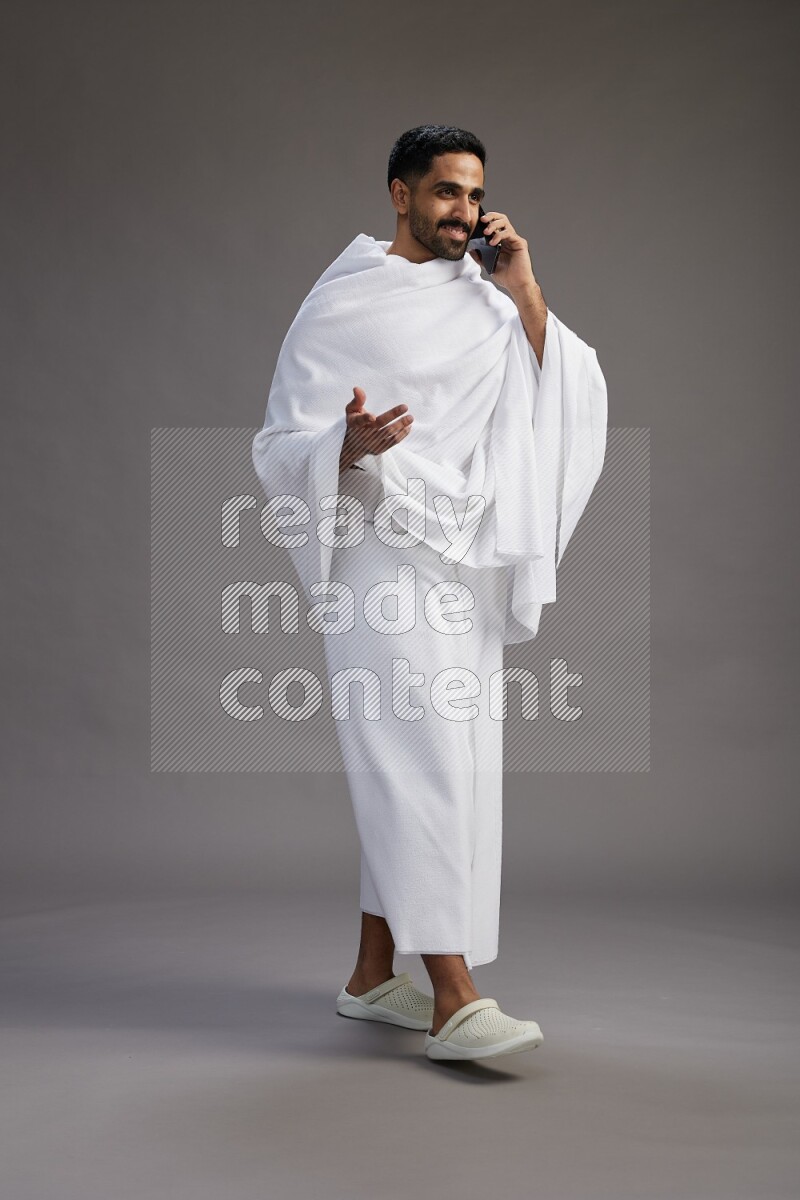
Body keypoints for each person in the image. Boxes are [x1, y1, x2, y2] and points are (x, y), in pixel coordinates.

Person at [251, 125, 608, 1062]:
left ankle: (373, 977)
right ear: (400, 196)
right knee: (419, 761)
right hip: (374, 560)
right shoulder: (343, 303)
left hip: (462, 563)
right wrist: (345, 446)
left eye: (474, 193)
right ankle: (455, 997)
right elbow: (278, 441)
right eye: (445, 192)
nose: (465, 211)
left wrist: (522, 286)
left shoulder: (489, 300)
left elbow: (560, 389)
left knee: (449, 760)